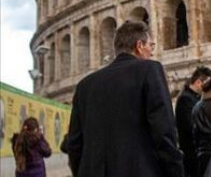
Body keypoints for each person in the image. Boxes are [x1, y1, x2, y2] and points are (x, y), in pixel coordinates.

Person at [65, 20, 184, 177]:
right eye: (151, 46)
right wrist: (176, 171)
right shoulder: (149, 70)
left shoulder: (84, 86)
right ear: (139, 46)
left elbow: (74, 144)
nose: (152, 52)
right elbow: (164, 133)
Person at [176, 66, 211, 177]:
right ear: (198, 82)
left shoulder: (194, 98)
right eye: (207, 84)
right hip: (192, 155)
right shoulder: (186, 99)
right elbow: (191, 126)